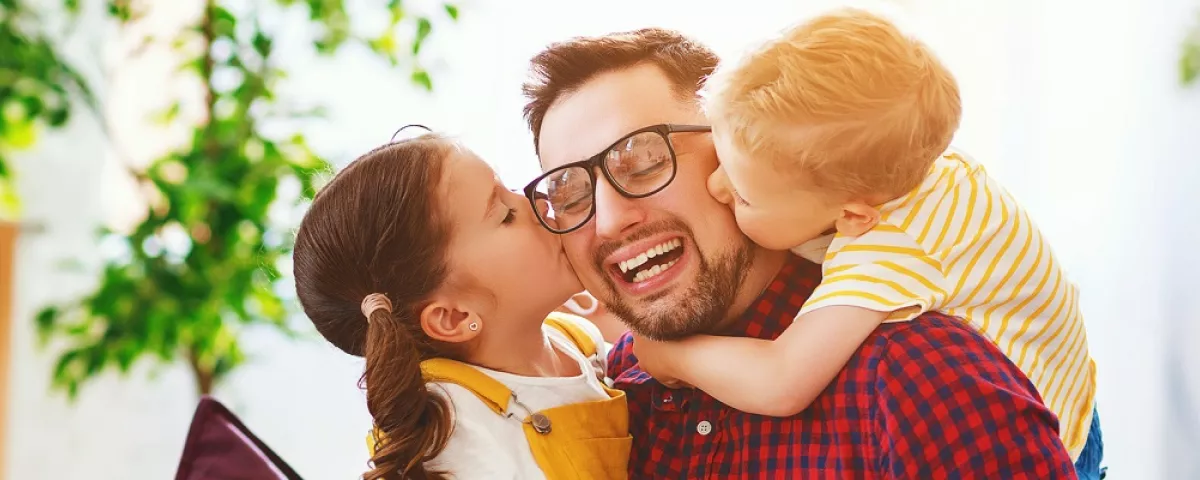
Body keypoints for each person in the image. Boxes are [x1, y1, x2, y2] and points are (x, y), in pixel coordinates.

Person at [520, 27, 1076, 478]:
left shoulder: (918, 373)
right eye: (568, 192)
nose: (612, 218)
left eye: (642, 160)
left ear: (733, 144)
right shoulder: (611, 394)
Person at [291, 133, 630, 480]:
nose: (537, 201)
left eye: (510, 187)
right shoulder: (458, 436)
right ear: (453, 317)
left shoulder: (576, 338)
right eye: (505, 215)